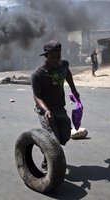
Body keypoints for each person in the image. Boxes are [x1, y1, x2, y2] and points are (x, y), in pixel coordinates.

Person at [31, 40, 80, 170]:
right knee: (53, 141)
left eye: (58, 56)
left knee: (65, 136)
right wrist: (46, 110)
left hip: (59, 107)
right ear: (46, 56)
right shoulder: (38, 74)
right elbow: (37, 96)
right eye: (53, 57)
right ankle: (48, 159)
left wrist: (74, 90)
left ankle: (49, 152)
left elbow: (67, 74)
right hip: (45, 111)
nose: (56, 60)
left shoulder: (63, 64)